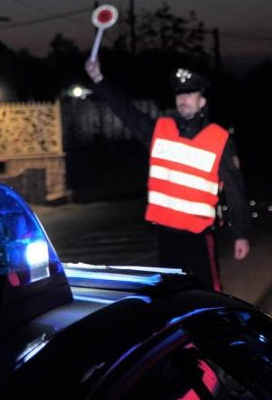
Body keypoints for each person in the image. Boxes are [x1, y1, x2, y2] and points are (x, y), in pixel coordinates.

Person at [85, 60, 250, 291]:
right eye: (180, 94)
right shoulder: (161, 130)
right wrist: (99, 80)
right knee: (172, 293)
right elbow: (127, 112)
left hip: (198, 234)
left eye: (190, 93)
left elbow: (235, 190)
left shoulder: (219, 139)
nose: (183, 98)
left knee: (207, 293)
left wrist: (241, 234)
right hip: (165, 234)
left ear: (202, 101)